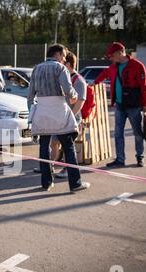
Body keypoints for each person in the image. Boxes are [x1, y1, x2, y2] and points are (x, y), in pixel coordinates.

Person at [27, 44, 90, 192]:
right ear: (57, 54)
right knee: (68, 146)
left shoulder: (36, 68)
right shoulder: (60, 68)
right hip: (58, 110)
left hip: (41, 110)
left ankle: (46, 182)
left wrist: (32, 112)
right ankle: (75, 183)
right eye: (63, 55)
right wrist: (74, 96)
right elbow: (68, 90)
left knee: (44, 147)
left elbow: (30, 96)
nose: (64, 59)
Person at [94, 42, 146, 168]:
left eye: (112, 56)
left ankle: (139, 156)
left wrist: (145, 106)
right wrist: (94, 84)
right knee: (118, 133)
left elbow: (144, 87)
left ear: (120, 53)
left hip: (134, 106)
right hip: (119, 105)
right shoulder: (114, 66)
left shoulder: (137, 65)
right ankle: (120, 159)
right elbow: (104, 74)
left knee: (137, 132)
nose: (111, 59)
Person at [55, 51, 88, 179]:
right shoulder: (65, 79)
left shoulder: (79, 80)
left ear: (67, 64)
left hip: (72, 119)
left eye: (61, 62)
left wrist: (70, 117)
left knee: (68, 145)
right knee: (55, 143)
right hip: (61, 117)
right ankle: (50, 165)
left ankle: (67, 170)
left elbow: (80, 102)